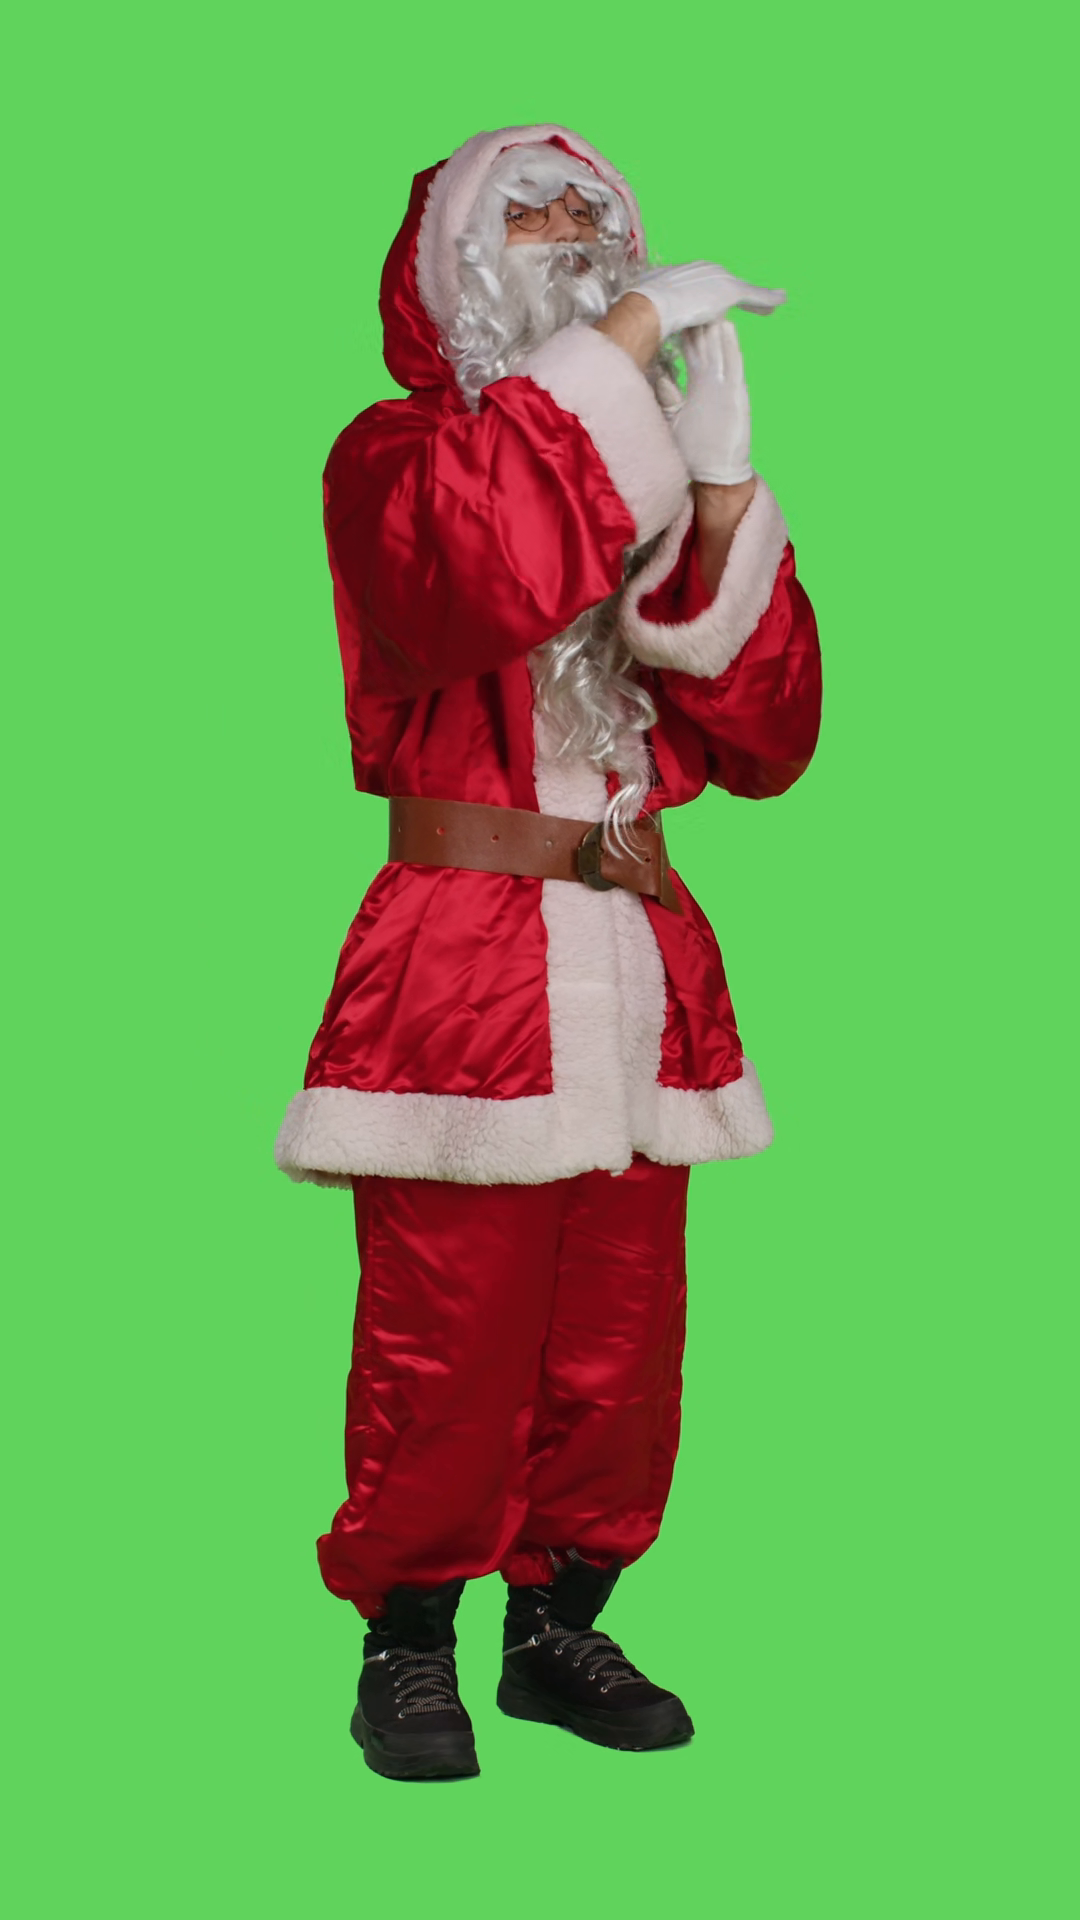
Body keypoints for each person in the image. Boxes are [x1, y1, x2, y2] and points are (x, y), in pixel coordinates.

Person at [275, 123, 822, 1781]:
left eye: (599, 211)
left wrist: (718, 492)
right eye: (533, 211)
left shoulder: (628, 491)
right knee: (447, 1335)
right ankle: (407, 1640)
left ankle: (559, 1623)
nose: (578, 230)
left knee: (617, 1340)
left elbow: (769, 739)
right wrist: (633, 337)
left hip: (638, 958)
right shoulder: (396, 462)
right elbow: (486, 565)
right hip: (463, 962)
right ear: (452, 264)